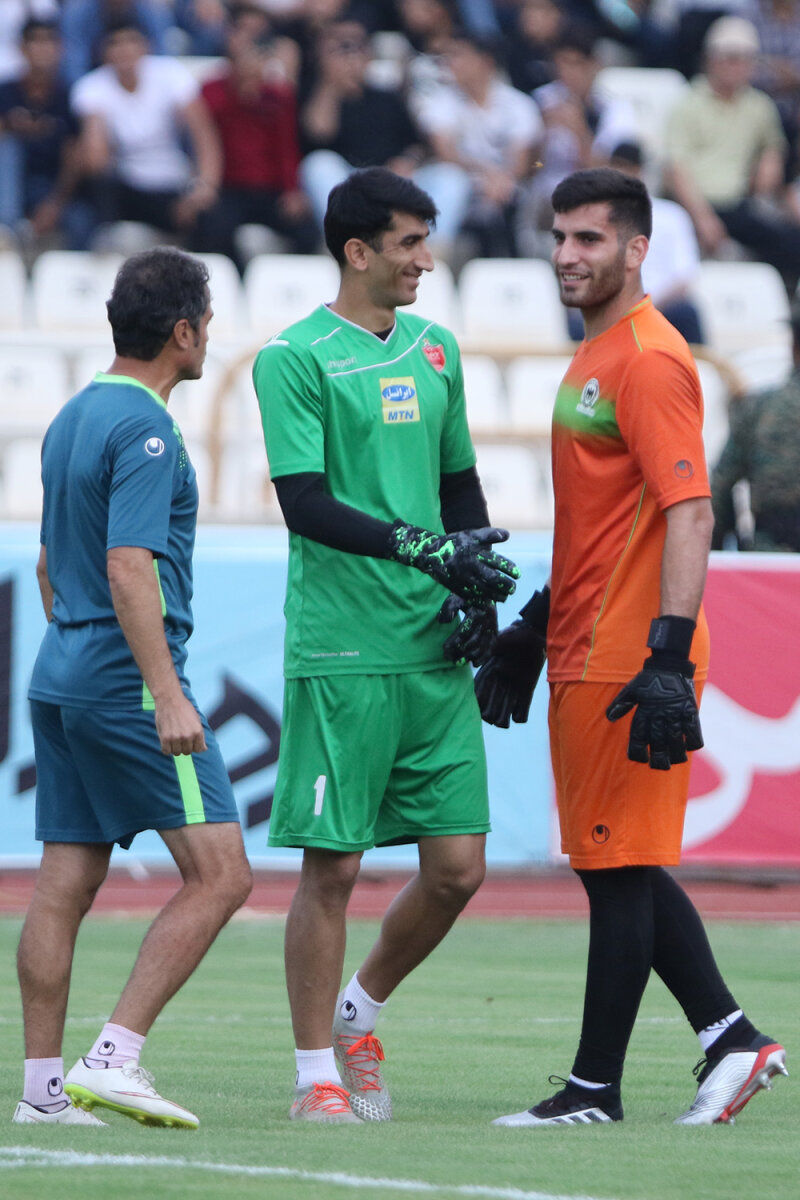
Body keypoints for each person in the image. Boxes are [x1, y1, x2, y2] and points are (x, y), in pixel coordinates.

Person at [477, 167, 787, 1128]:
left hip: (627, 655)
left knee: (615, 870)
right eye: (559, 236)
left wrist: (667, 657)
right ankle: (731, 1040)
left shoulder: (649, 358)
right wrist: (534, 628)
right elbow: (601, 526)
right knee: (616, 862)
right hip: (585, 643)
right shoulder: (597, 353)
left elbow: (690, 511)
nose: (567, 254)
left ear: (638, 249)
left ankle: (593, 1090)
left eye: (590, 239)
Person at [253, 166, 519, 1124]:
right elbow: (304, 503)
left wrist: (475, 583)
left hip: (432, 649)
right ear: (358, 250)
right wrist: (422, 548)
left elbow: (459, 487)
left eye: (426, 241)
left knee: (458, 870)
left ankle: (358, 1015)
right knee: (334, 869)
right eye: (410, 243)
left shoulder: (436, 348)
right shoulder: (293, 358)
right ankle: (314, 1075)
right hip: (344, 651)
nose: (426, 261)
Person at [13, 246, 252, 1128]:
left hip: (62, 670)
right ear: (183, 331)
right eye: (207, 323)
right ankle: (115, 1056)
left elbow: (51, 562)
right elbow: (127, 566)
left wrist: (78, 652)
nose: (210, 338)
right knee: (221, 874)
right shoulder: (149, 430)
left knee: (64, 881)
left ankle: (41, 1095)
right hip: (125, 681)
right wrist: (166, 693)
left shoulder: (71, 416)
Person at [298, 18, 471, 256]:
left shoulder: (386, 97)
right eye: (342, 53)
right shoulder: (313, 94)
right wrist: (330, 84)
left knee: (451, 177)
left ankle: (429, 251)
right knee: (318, 164)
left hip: (391, 181)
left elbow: (416, 145)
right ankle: (348, 243)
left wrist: (407, 161)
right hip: (349, 186)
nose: (350, 60)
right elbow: (318, 134)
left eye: (356, 51)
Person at [664, 15, 800, 292]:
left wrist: (770, 159)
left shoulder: (759, 106)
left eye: (743, 59)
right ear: (710, 60)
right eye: (728, 58)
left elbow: (773, 146)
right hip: (692, 204)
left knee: (790, 243)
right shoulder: (688, 103)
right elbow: (675, 168)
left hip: (737, 205)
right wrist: (702, 218)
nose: (735, 66)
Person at [71, 18, 222, 250]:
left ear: (146, 46)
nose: (124, 50)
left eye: (131, 42)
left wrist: (205, 185)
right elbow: (95, 162)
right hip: (127, 184)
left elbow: (201, 132)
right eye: (115, 43)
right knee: (95, 193)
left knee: (210, 215)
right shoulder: (92, 87)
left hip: (172, 183)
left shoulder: (170, 75)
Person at [200, 14, 318, 267]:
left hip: (270, 190)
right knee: (212, 228)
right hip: (228, 188)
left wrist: (292, 190)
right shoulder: (212, 91)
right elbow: (203, 138)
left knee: (307, 231)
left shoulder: (278, 95)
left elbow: (287, 146)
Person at [416, 30, 543, 258]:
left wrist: (500, 180)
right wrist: (487, 174)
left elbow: (521, 163)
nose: (451, 63)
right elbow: (445, 153)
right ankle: (435, 253)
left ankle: (514, 263)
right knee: (450, 181)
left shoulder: (518, 104)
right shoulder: (440, 100)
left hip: (505, 186)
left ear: (485, 61)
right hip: (466, 182)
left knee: (514, 194)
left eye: (459, 56)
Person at [711, 299, 800, 551]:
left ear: (794, 347)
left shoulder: (758, 408)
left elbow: (719, 490)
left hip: (770, 558)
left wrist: (719, 555)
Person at [0, 19, 94, 251]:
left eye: (48, 42)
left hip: (53, 187)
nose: (42, 49)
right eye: (35, 41)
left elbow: (74, 156)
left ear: (60, 49)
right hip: (9, 185)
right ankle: (7, 228)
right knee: (9, 148)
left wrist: (55, 204)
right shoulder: (5, 92)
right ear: (22, 48)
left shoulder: (72, 95)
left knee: (81, 221)